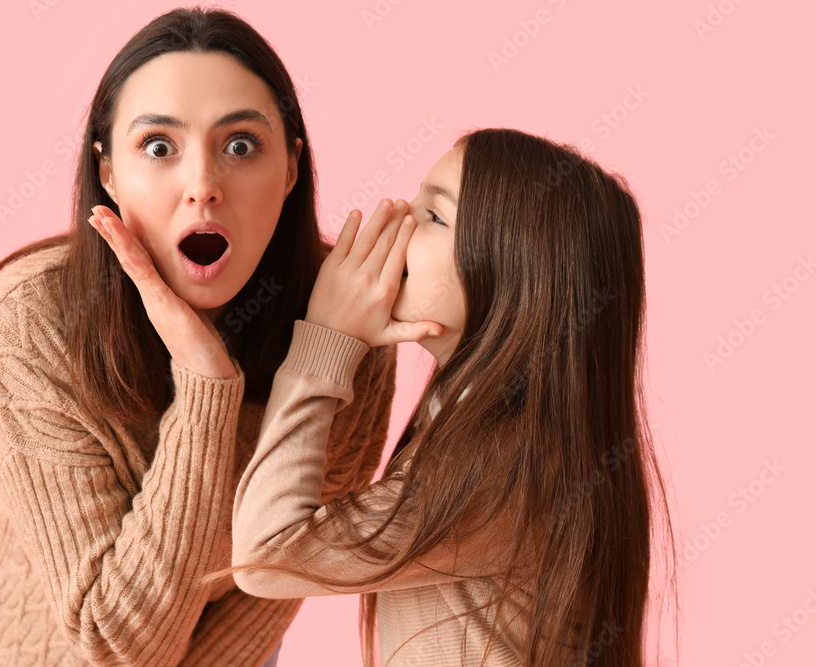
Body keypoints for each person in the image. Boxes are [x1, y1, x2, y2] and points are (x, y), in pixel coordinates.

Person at [0, 7, 396, 666]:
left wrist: (320, 355)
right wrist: (206, 382)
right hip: (5, 644)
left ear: (290, 167)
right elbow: (113, 642)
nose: (203, 186)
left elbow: (289, 560)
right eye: (158, 146)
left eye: (240, 145)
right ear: (110, 173)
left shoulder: (346, 320)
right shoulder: (30, 317)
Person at [229, 128, 676, 666]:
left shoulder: (510, 468)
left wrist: (326, 339)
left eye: (435, 216)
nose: (393, 221)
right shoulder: (489, 433)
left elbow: (266, 556)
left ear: (515, 277)